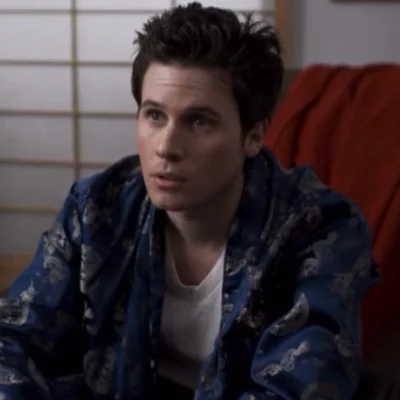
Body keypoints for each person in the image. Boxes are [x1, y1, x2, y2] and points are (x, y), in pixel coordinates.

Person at [0, 2, 378, 399]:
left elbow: (302, 387)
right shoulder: (97, 207)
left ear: (253, 136)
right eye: (154, 115)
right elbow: (15, 336)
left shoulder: (318, 229)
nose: (166, 147)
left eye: (199, 121)